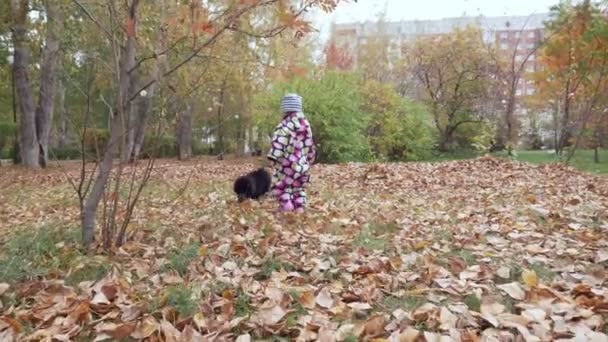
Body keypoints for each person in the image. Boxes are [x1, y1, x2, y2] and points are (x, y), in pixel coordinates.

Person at [267, 93, 316, 213]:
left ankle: (286, 207)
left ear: (285, 109)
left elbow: (278, 143)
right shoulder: (306, 125)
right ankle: (299, 208)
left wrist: (273, 157)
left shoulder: (284, 126)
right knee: (298, 187)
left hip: (287, 164)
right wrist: (309, 157)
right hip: (301, 164)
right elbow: (310, 143)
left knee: (283, 186)